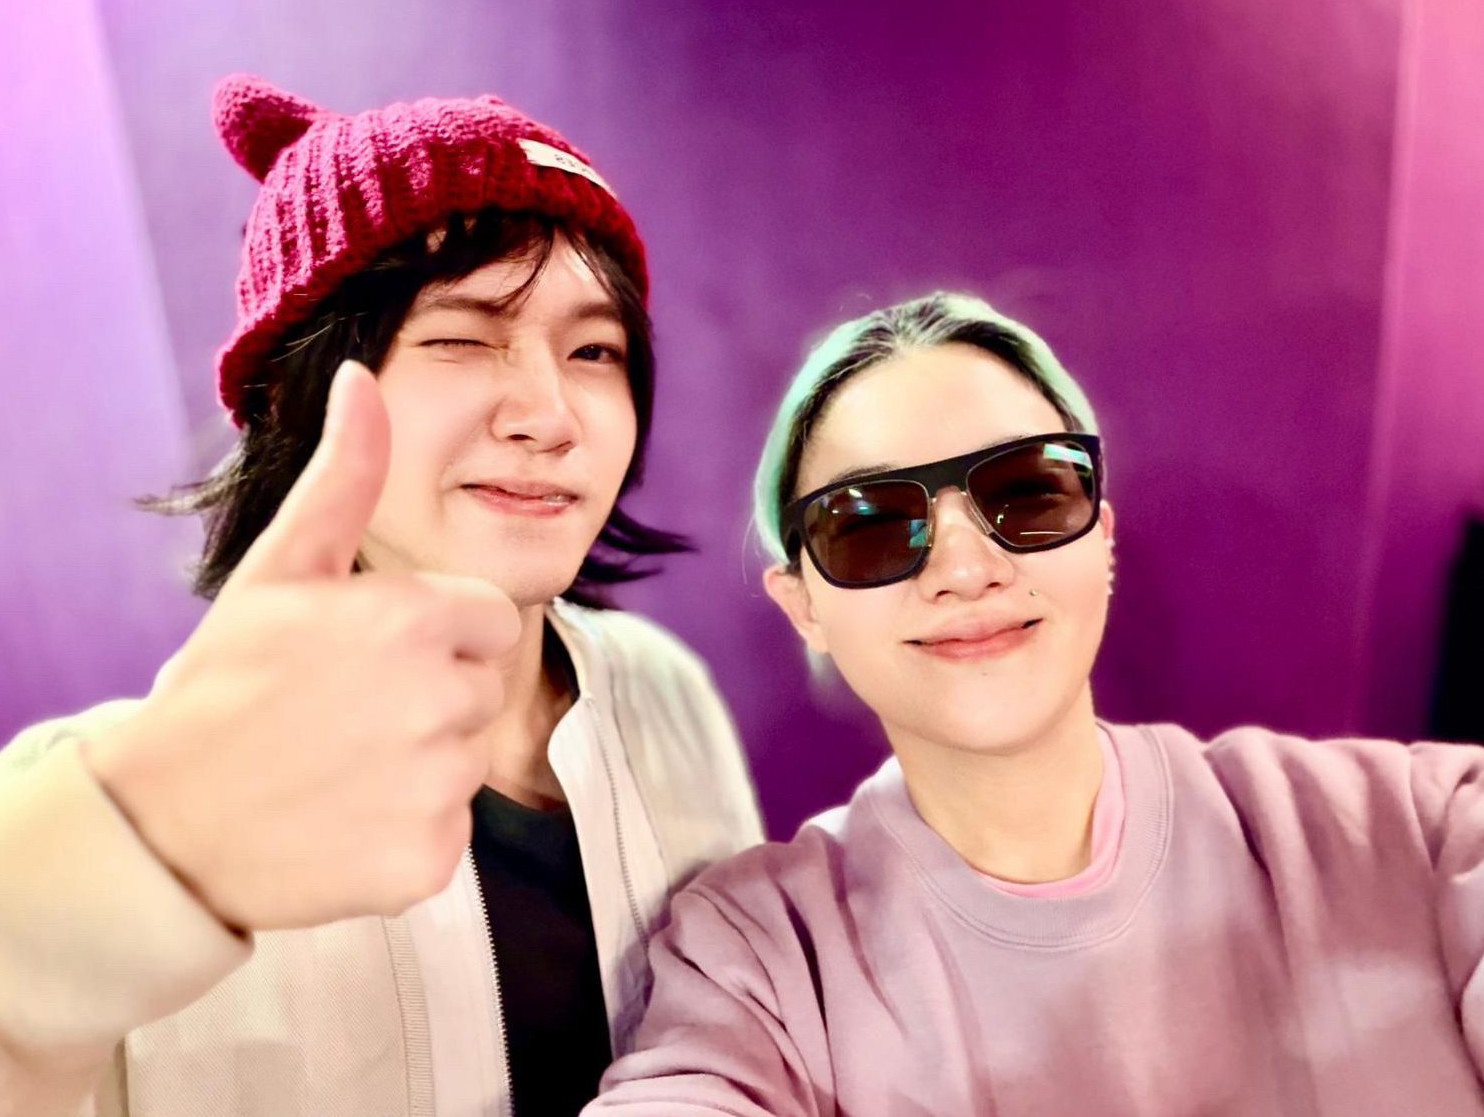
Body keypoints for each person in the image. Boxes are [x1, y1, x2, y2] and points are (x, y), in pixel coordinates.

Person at [0, 75, 761, 1117]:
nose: (550, 415)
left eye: (594, 351)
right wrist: (137, 851)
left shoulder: (665, 697)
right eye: (461, 337)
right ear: (288, 395)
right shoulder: (110, 793)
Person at [589, 291, 1484, 1116]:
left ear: (1104, 539)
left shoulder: (1420, 825)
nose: (966, 568)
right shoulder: (755, 958)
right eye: (870, 525)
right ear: (805, 607)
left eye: (1026, 492)